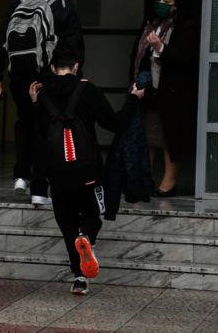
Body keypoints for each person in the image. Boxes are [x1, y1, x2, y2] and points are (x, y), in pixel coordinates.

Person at [29, 48, 144, 295]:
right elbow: (114, 123)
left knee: (67, 224)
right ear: (76, 67)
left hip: (57, 174)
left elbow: (37, 135)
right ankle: (87, 237)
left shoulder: (43, 94)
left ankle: (79, 278)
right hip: (87, 172)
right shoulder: (87, 90)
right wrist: (133, 98)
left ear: (52, 68)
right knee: (92, 214)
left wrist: (36, 104)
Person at [0, 0, 85, 205]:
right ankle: (41, 187)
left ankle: (21, 176)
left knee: (25, 123)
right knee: (47, 127)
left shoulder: (18, 2)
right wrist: (73, 77)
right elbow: (74, 46)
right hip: (48, 77)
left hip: (19, 76)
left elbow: (1, 39)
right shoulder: (63, 5)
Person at [130, 0, 199, 198]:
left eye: (167, 1)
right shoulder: (150, 24)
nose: (161, 3)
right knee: (148, 138)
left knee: (171, 139)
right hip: (150, 91)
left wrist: (160, 46)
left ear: (176, 6)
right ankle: (144, 181)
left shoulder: (185, 26)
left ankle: (169, 183)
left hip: (173, 93)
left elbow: (184, 57)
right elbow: (138, 56)